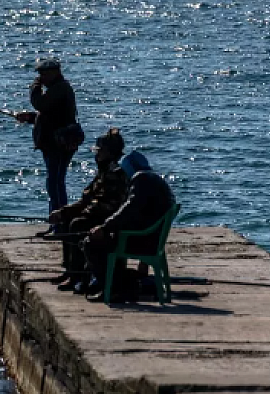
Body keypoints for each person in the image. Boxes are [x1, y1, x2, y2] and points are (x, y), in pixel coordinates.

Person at [80, 152, 175, 301]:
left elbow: (129, 209)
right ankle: (125, 284)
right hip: (154, 240)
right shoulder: (154, 179)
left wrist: (105, 227)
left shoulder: (140, 178)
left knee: (90, 244)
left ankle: (113, 288)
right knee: (109, 238)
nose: (123, 176)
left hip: (143, 240)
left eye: (124, 172)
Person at [49, 128, 128, 292]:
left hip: (108, 222)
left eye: (100, 152)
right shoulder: (103, 172)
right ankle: (70, 271)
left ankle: (78, 276)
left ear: (110, 153)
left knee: (77, 224)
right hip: (97, 215)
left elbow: (108, 206)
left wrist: (84, 212)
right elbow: (86, 199)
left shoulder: (115, 174)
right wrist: (63, 212)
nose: (96, 155)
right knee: (66, 221)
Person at [14, 57, 79, 227]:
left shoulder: (60, 88)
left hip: (58, 145)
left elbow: (40, 104)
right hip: (53, 144)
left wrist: (35, 87)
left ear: (55, 72)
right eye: (39, 74)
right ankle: (55, 221)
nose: (40, 77)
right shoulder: (56, 90)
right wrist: (29, 118)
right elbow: (50, 116)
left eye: (43, 73)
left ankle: (60, 222)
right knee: (53, 182)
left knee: (55, 183)